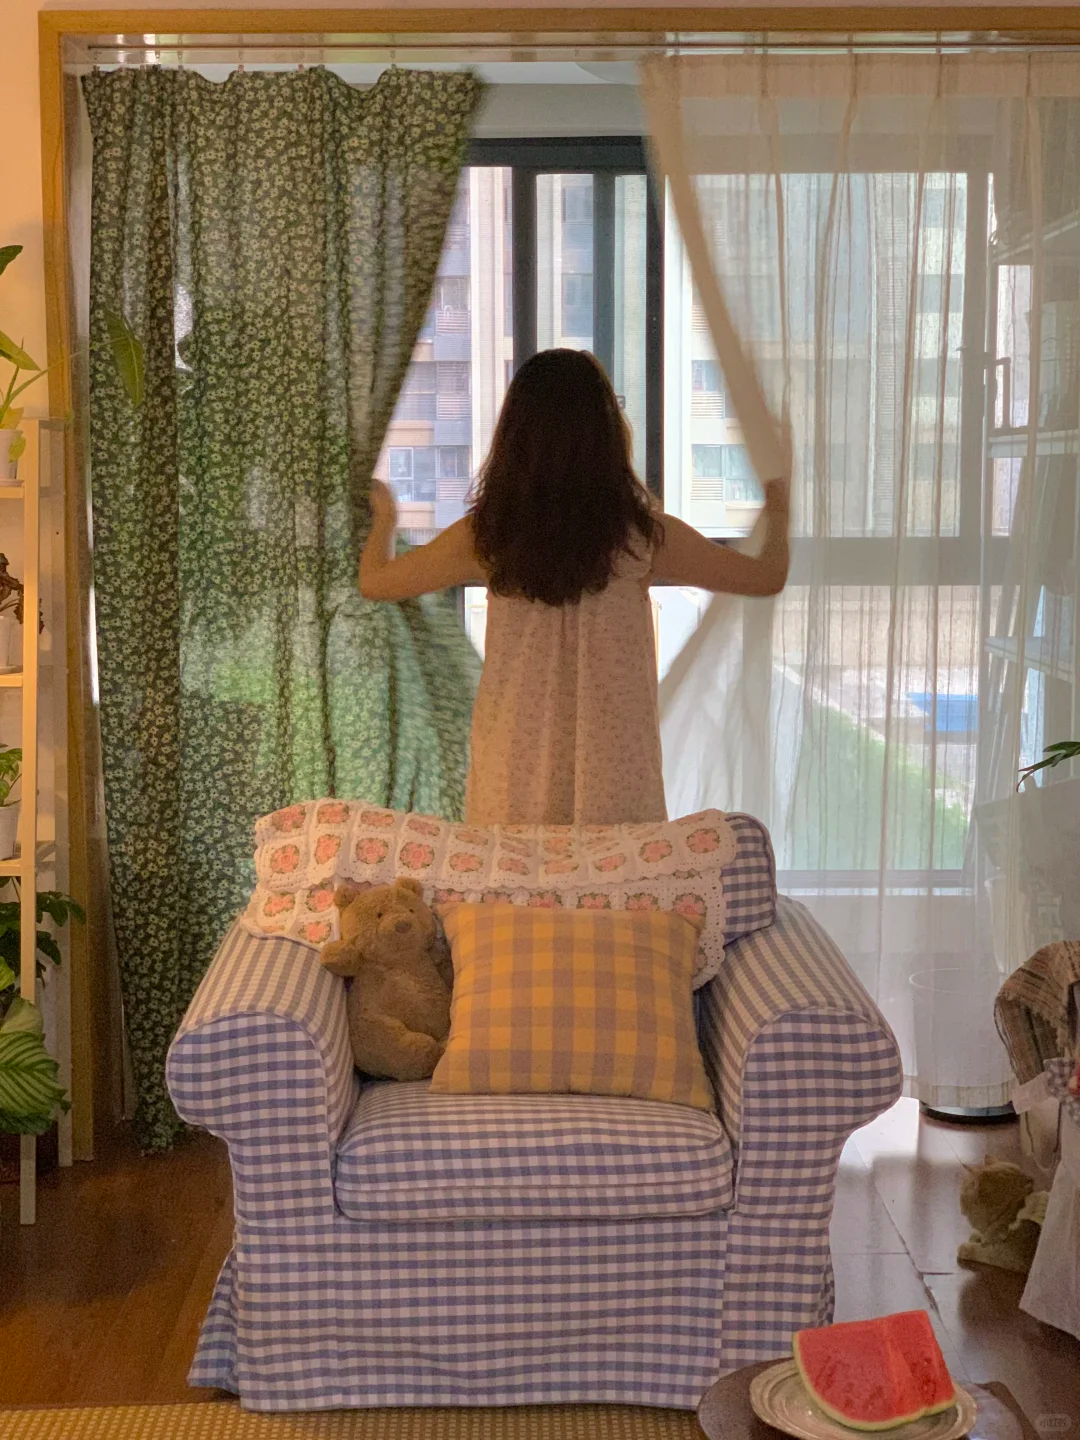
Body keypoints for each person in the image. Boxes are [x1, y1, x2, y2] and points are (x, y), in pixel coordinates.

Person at [360, 348, 789, 827]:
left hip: (514, 766)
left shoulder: (487, 538)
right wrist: (779, 507)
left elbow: (376, 582)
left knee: (512, 872)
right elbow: (765, 577)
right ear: (607, 434)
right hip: (615, 772)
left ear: (514, 438)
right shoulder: (642, 539)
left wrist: (385, 521)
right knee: (617, 874)